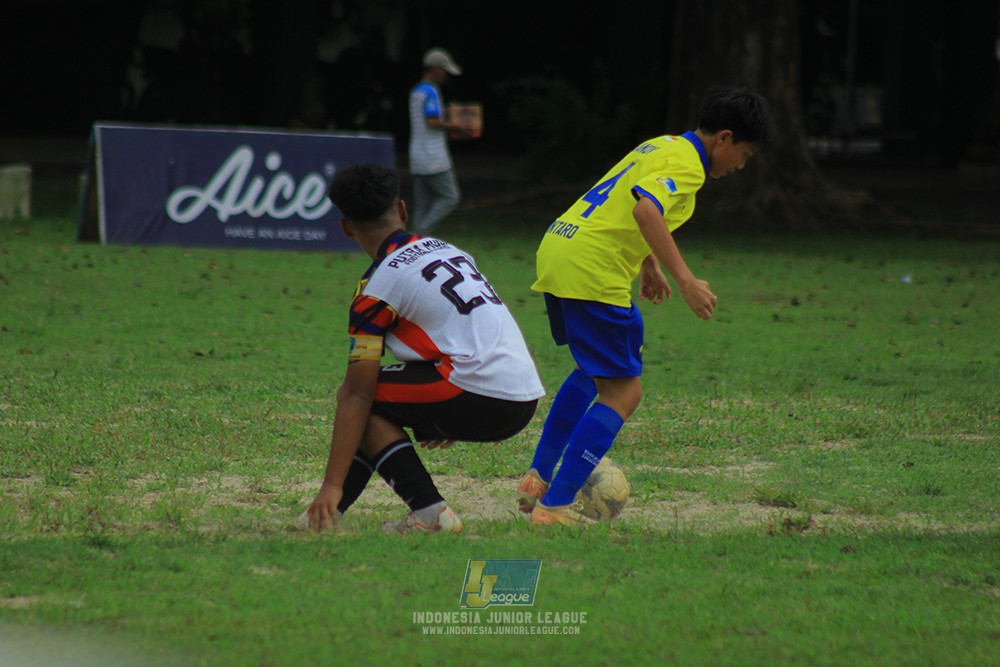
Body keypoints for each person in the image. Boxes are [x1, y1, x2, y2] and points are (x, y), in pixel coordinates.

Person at [517, 86, 776, 526]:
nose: (741, 165)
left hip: (562, 248)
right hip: (592, 267)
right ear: (724, 139)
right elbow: (645, 212)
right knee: (624, 392)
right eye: (745, 154)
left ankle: (537, 478)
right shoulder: (689, 166)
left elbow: (622, 202)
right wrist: (686, 279)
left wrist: (648, 262)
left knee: (594, 371)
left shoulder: (662, 144)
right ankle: (554, 506)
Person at [305, 162, 545, 535]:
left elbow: (357, 395)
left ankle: (424, 513)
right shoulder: (447, 249)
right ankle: (323, 520)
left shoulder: (374, 290)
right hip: (523, 394)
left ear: (347, 228)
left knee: (365, 399)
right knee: (377, 400)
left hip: (480, 392)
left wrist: (331, 484)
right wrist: (435, 406)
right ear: (402, 210)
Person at [407, 47, 472, 235]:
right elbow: (432, 121)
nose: (446, 75)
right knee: (451, 197)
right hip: (434, 158)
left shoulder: (416, 91)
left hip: (417, 157)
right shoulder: (431, 91)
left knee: (422, 205)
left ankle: (415, 242)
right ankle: (420, 232)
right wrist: (457, 126)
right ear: (435, 69)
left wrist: (447, 114)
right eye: (444, 71)